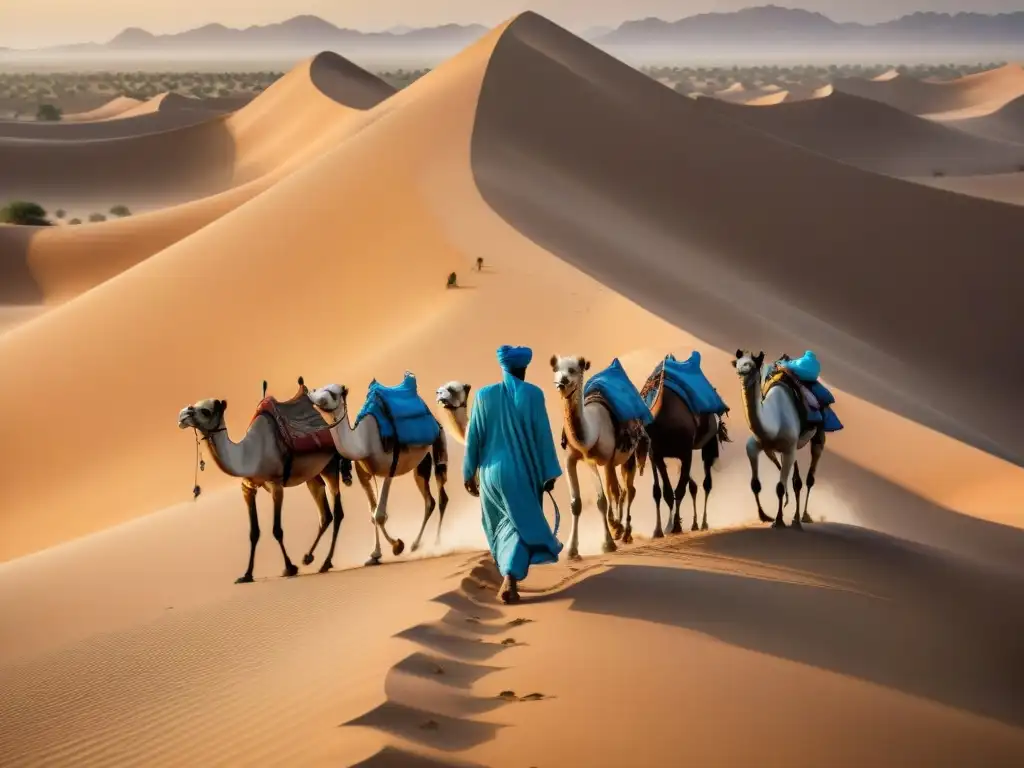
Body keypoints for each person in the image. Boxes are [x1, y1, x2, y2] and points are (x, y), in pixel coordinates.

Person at [464, 344, 563, 604]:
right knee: (519, 526)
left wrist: (467, 473)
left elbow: (473, 437)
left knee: (500, 523)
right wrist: (549, 472)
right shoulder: (533, 395)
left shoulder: (483, 396)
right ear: (524, 369)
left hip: (489, 475)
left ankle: (508, 572)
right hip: (522, 473)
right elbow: (543, 437)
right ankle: (510, 577)